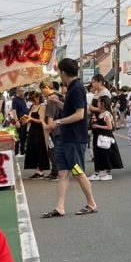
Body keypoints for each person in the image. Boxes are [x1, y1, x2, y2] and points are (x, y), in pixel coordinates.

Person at [41, 58, 98, 218]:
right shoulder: (74, 88)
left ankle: (92, 203)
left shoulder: (77, 88)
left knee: (77, 171)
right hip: (67, 139)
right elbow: (71, 110)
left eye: (59, 72)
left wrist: (58, 121)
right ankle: (60, 207)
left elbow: (80, 114)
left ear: (64, 72)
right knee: (63, 173)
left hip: (74, 139)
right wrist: (59, 103)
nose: (59, 75)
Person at [90, 95, 123, 180]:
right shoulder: (102, 113)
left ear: (103, 104)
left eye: (98, 102)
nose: (97, 104)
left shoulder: (107, 114)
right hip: (101, 137)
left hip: (106, 138)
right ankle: (102, 172)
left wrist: (97, 126)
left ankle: (108, 173)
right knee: (102, 154)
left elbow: (109, 127)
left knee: (106, 154)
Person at [22, 90, 49, 178]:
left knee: (39, 150)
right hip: (32, 130)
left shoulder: (42, 106)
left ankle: (40, 170)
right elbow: (30, 118)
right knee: (33, 150)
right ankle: (37, 170)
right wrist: (26, 119)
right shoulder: (33, 106)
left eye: (33, 99)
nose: (33, 101)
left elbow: (41, 120)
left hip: (39, 131)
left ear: (38, 97)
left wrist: (30, 119)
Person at [11, 87, 29, 155]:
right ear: (17, 92)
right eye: (21, 91)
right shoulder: (15, 100)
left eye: (23, 91)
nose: (22, 92)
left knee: (24, 137)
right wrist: (17, 121)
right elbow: (14, 111)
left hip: (24, 121)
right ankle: (16, 152)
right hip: (19, 121)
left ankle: (22, 151)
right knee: (18, 137)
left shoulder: (23, 99)